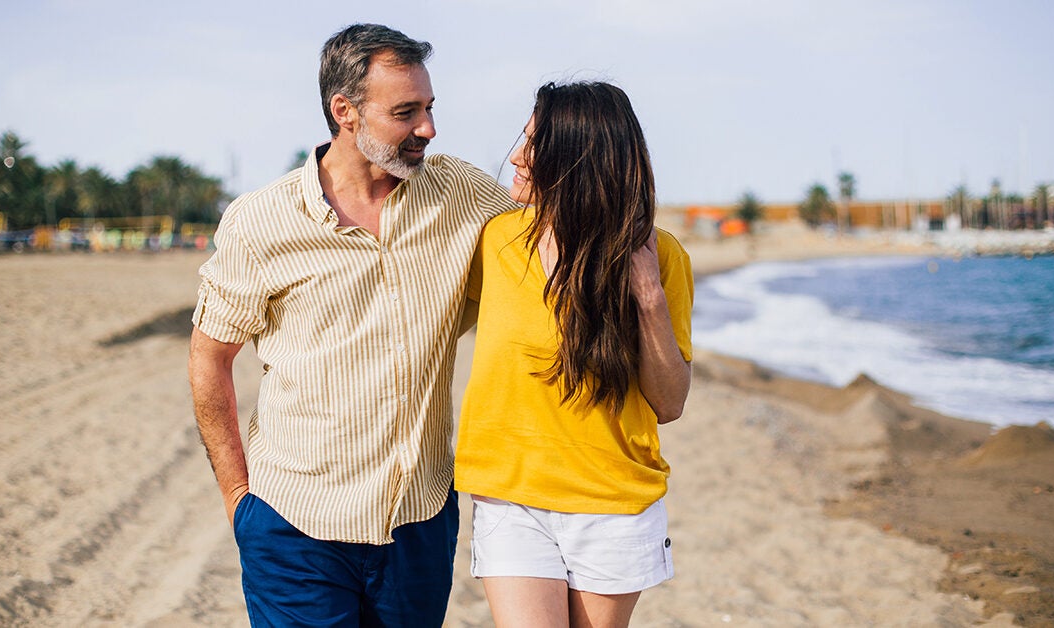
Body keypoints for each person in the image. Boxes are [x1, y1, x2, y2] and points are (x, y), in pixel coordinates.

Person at [187, 23, 516, 626]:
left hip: (419, 526)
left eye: (430, 107)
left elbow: (549, 244)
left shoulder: (463, 194)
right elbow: (209, 358)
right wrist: (239, 500)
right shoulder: (260, 222)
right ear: (345, 111)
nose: (429, 129)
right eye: (406, 112)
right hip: (294, 526)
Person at [454, 81, 694, 628]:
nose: (516, 155)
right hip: (510, 496)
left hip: (613, 502)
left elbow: (670, 402)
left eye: (534, 144)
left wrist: (649, 298)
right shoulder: (494, 241)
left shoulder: (661, 255)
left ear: (577, 160)